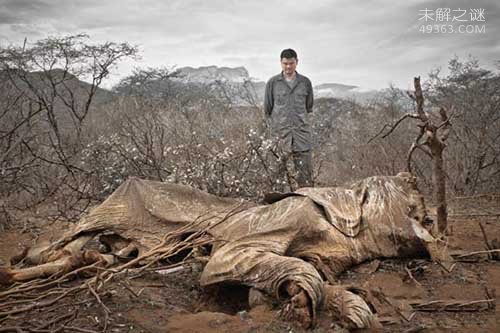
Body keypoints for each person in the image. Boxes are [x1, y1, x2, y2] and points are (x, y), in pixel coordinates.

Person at [264, 48, 314, 187]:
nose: (288, 66)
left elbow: (308, 107)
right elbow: (267, 109)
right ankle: (276, 206)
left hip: (301, 135)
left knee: (305, 176)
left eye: (291, 63)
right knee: (276, 177)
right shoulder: (273, 83)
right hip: (280, 136)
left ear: (297, 62)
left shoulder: (305, 83)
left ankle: (307, 205)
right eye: (285, 63)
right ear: (280, 63)